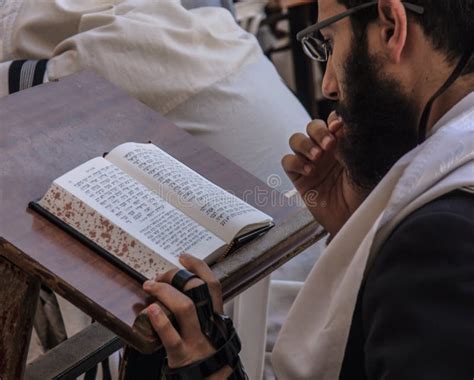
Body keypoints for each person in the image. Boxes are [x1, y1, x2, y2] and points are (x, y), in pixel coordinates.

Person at [141, 0, 474, 379]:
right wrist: (355, 227)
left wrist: (211, 368)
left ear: (390, 28)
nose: (329, 84)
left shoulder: (436, 246)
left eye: (330, 43)